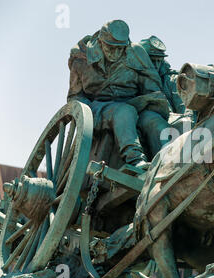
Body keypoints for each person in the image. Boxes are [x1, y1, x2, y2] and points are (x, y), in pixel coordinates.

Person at [67, 20, 172, 169]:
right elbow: (74, 96)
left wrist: (148, 103)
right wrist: (87, 116)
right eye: (111, 48)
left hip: (136, 107)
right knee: (124, 112)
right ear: (100, 42)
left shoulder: (137, 54)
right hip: (98, 110)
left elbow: (153, 91)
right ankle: (135, 160)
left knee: (154, 121)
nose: (115, 53)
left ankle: (171, 164)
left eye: (120, 49)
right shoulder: (81, 58)